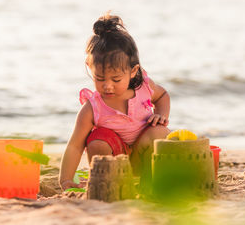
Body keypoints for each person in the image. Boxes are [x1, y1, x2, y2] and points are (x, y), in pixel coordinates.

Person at [59, 12, 170, 192]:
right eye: (100, 78)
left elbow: (163, 95)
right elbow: (75, 145)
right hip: (112, 163)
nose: (108, 86)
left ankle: (148, 184)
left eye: (116, 80)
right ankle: (109, 183)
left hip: (143, 158)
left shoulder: (144, 88)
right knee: (97, 142)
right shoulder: (92, 108)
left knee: (159, 132)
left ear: (133, 71)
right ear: (89, 66)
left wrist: (161, 115)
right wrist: (65, 180)